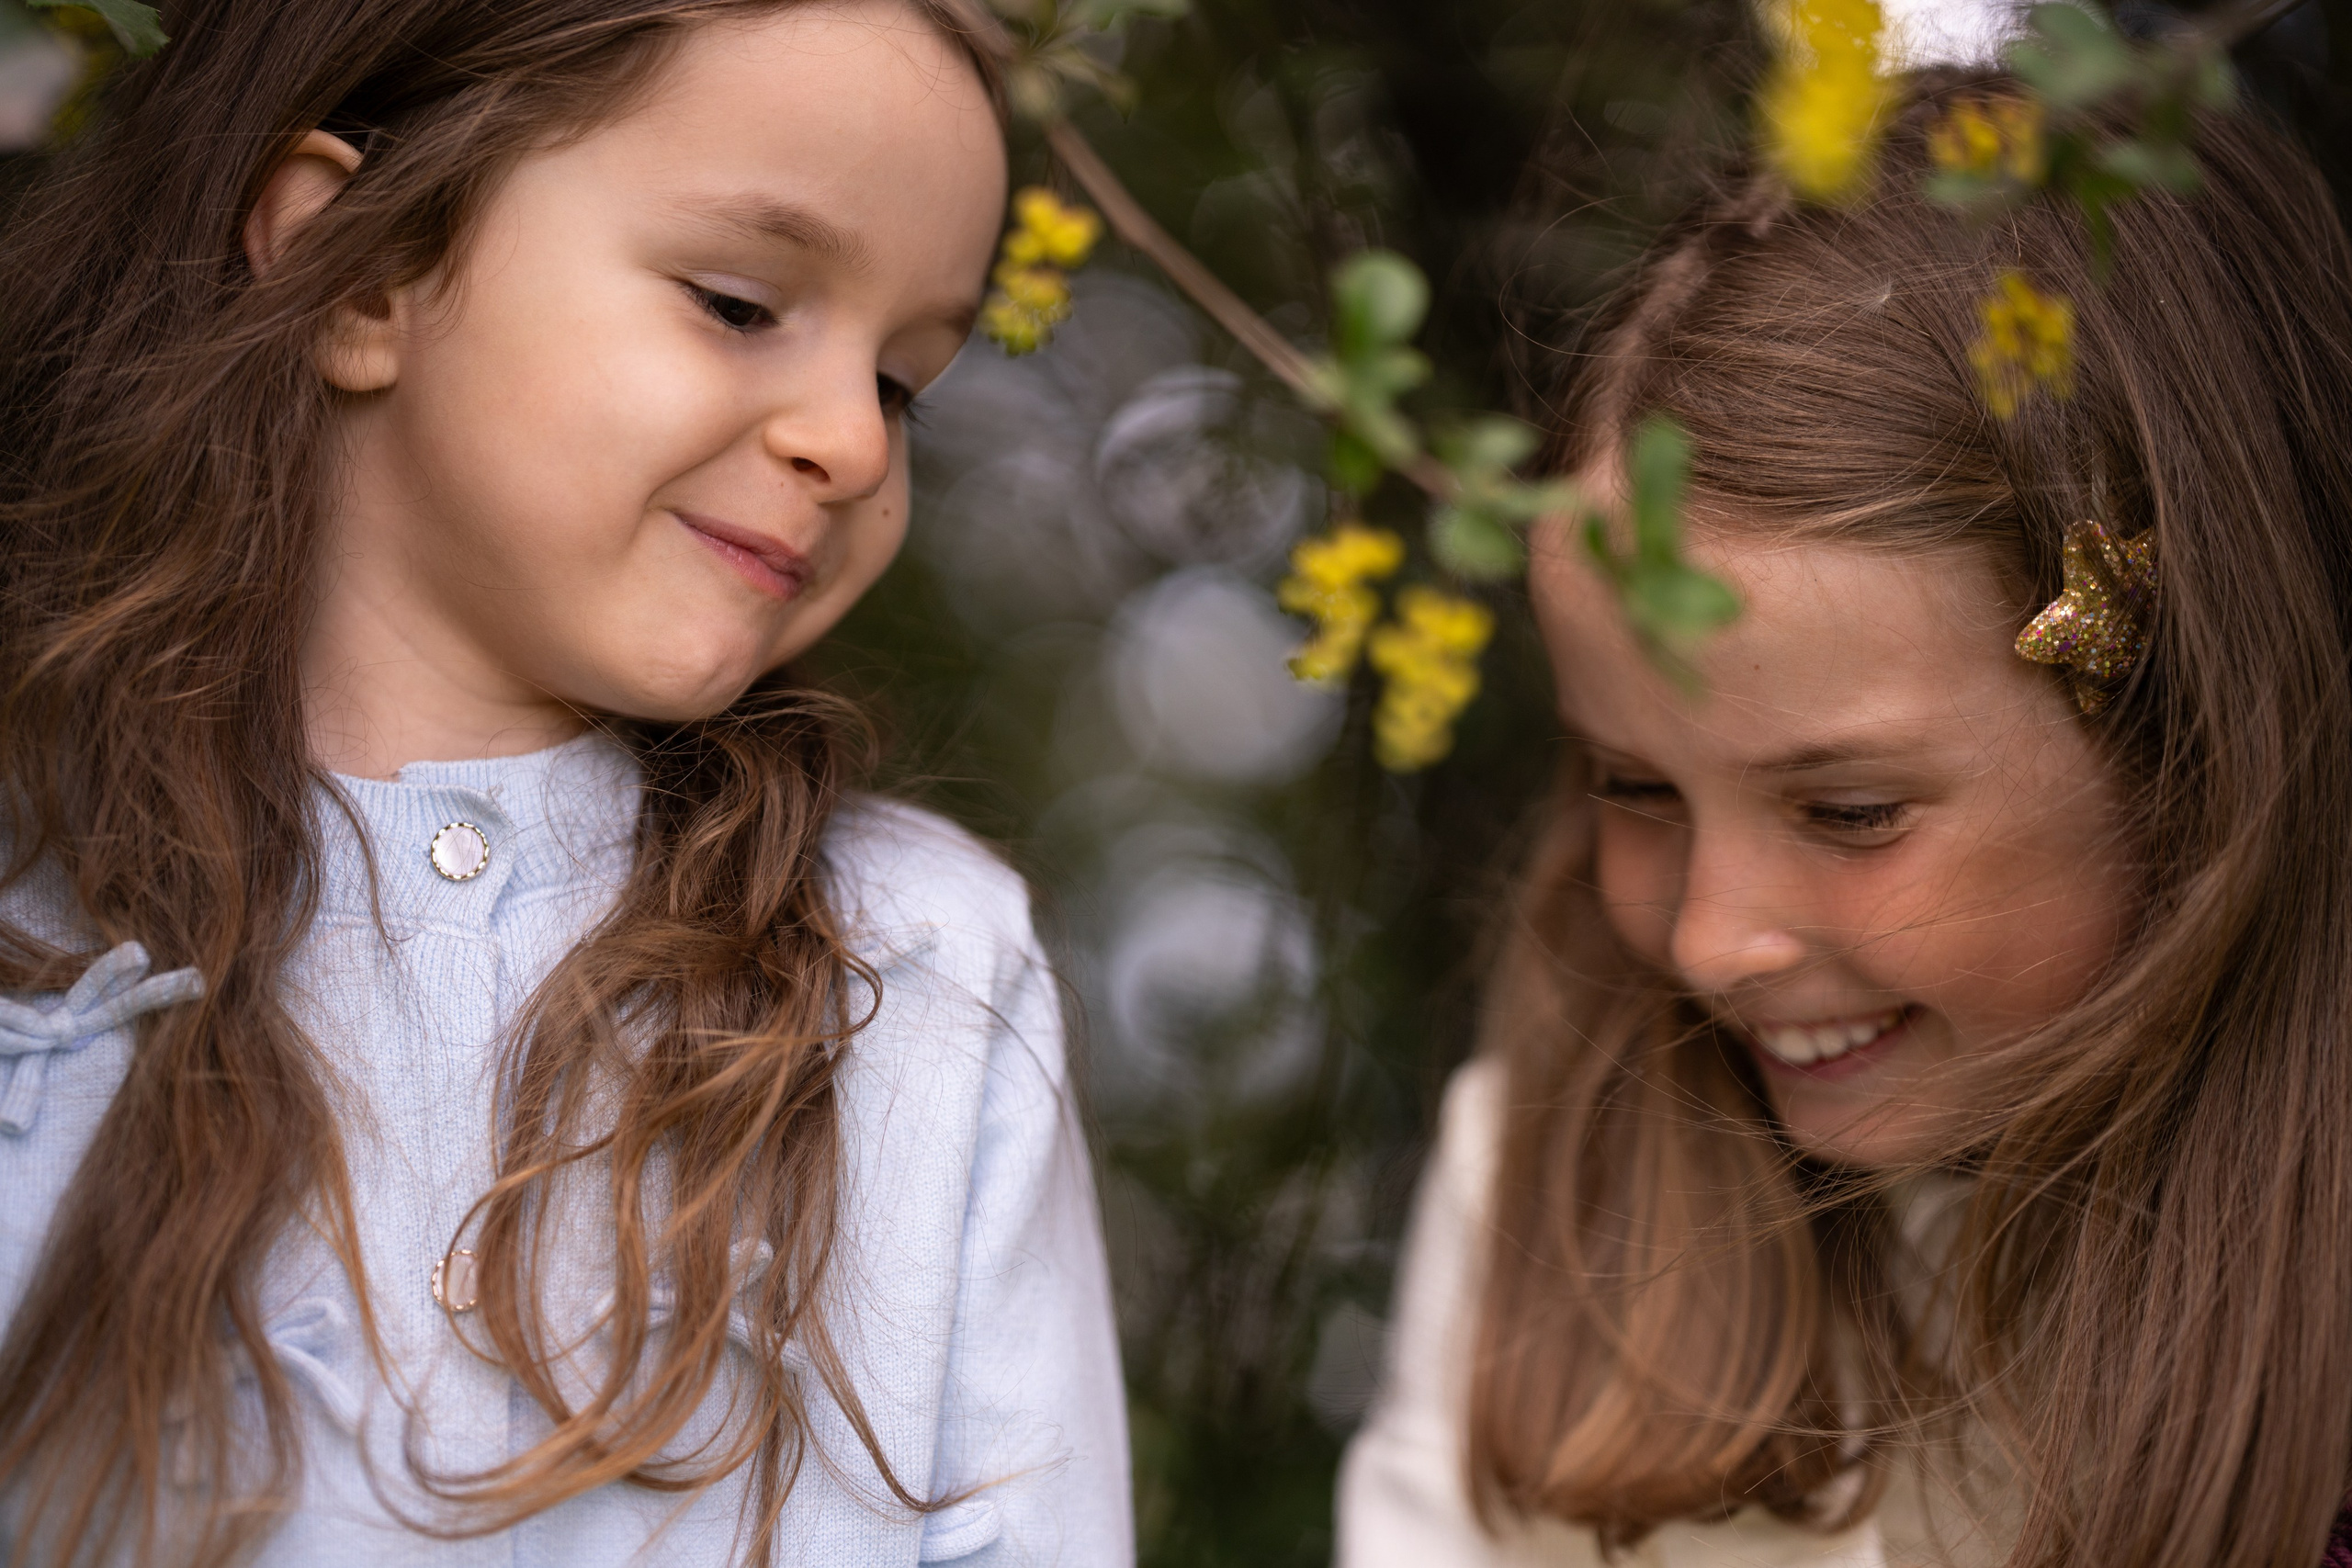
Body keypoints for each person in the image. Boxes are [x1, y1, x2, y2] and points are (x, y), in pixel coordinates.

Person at [0, 3, 1128, 1564]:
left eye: (905, 383)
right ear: (365, 265)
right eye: (741, 303)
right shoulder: (32, 929)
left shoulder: (922, 974)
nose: (856, 446)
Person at [1338, 73, 2352, 1568]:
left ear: (2185, 744)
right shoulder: (1549, 1187)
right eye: (1634, 788)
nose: (1713, 939)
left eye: (1850, 810)